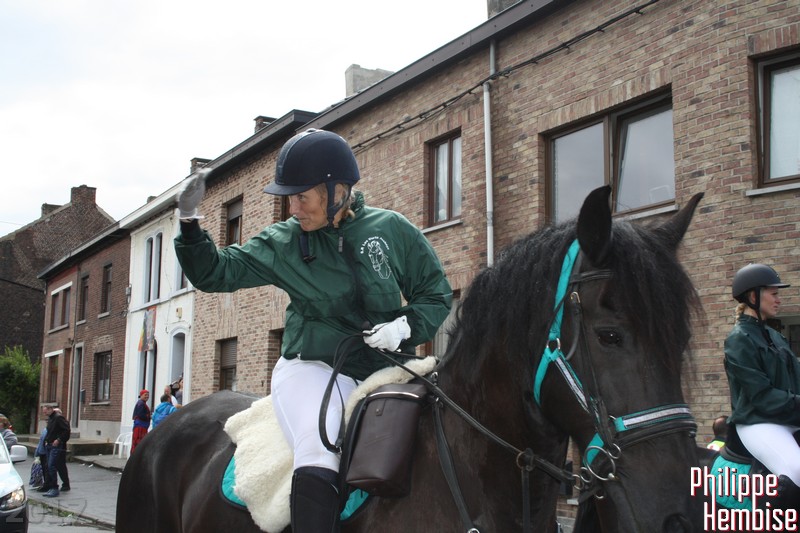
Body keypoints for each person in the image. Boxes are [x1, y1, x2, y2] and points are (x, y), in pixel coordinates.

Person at [174, 128, 452, 532]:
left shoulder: (391, 229)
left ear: (337, 191)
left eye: (302, 197)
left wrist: (405, 326)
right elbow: (216, 272)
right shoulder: (284, 242)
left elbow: (436, 293)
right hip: (314, 368)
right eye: (290, 198)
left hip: (386, 368)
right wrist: (189, 223)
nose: (294, 208)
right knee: (321, 446)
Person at [724, 263, 800, 507]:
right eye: (774, 294)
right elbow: (761, 396)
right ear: (753, 296)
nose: (779, 299)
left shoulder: (775, 336)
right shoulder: (738, 339)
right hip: (758, 422)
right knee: (797, 470)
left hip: (787, 416)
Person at [40, 405, 70, 497]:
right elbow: (50, 432)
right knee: (49, 466)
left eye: (45, 411)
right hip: (49, 445)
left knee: (52, 465)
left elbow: (66, 430)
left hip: (56, 446)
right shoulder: (51, 419)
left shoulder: (58, 418)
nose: (45, 413)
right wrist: (46, 441)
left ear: (50, 409)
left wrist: (59, 440)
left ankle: (55, 487)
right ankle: (51, 486)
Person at [131, 389, 151, 454]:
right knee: (139, 443)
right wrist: (148, 416)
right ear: (141, 395)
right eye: (145, 395)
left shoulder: (141, 403)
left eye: (148, 395)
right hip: (140, 428)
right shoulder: (141, 404)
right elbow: (140, 415)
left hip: (142, 427)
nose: (147, 396)